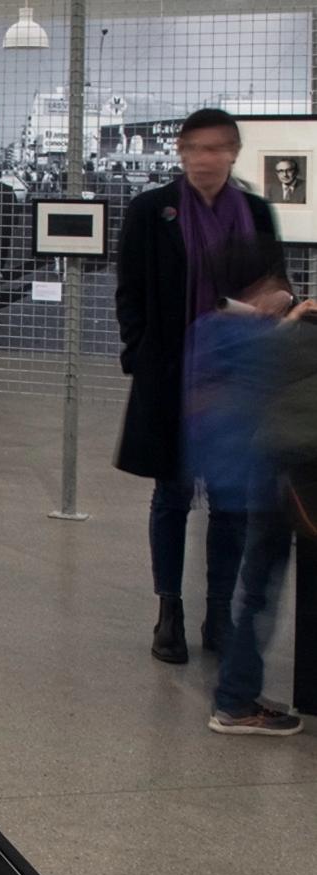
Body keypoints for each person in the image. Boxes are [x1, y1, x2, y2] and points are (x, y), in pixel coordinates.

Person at [114, 108, 281, 663]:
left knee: (231, 504)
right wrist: (141, 352)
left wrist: (274, 304)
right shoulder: (149, 211)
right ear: (180, 151)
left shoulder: (254, 212)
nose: (205, 159)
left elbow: (274, 283)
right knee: (172, 496)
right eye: (195, 148)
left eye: (216, 148)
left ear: (233, 152)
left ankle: (217, 616)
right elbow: (130, 290)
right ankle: (170, 613)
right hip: (170, 375)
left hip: (235, 378)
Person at [186, 236, 317, 735]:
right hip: (264, 477)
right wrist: (290, 324)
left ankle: (236, 691)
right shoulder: (248, 335)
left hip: (240, 477)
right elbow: (266, 372)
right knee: (258, 591)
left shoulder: (214, 327)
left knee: (250, 587)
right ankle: (236, 701)